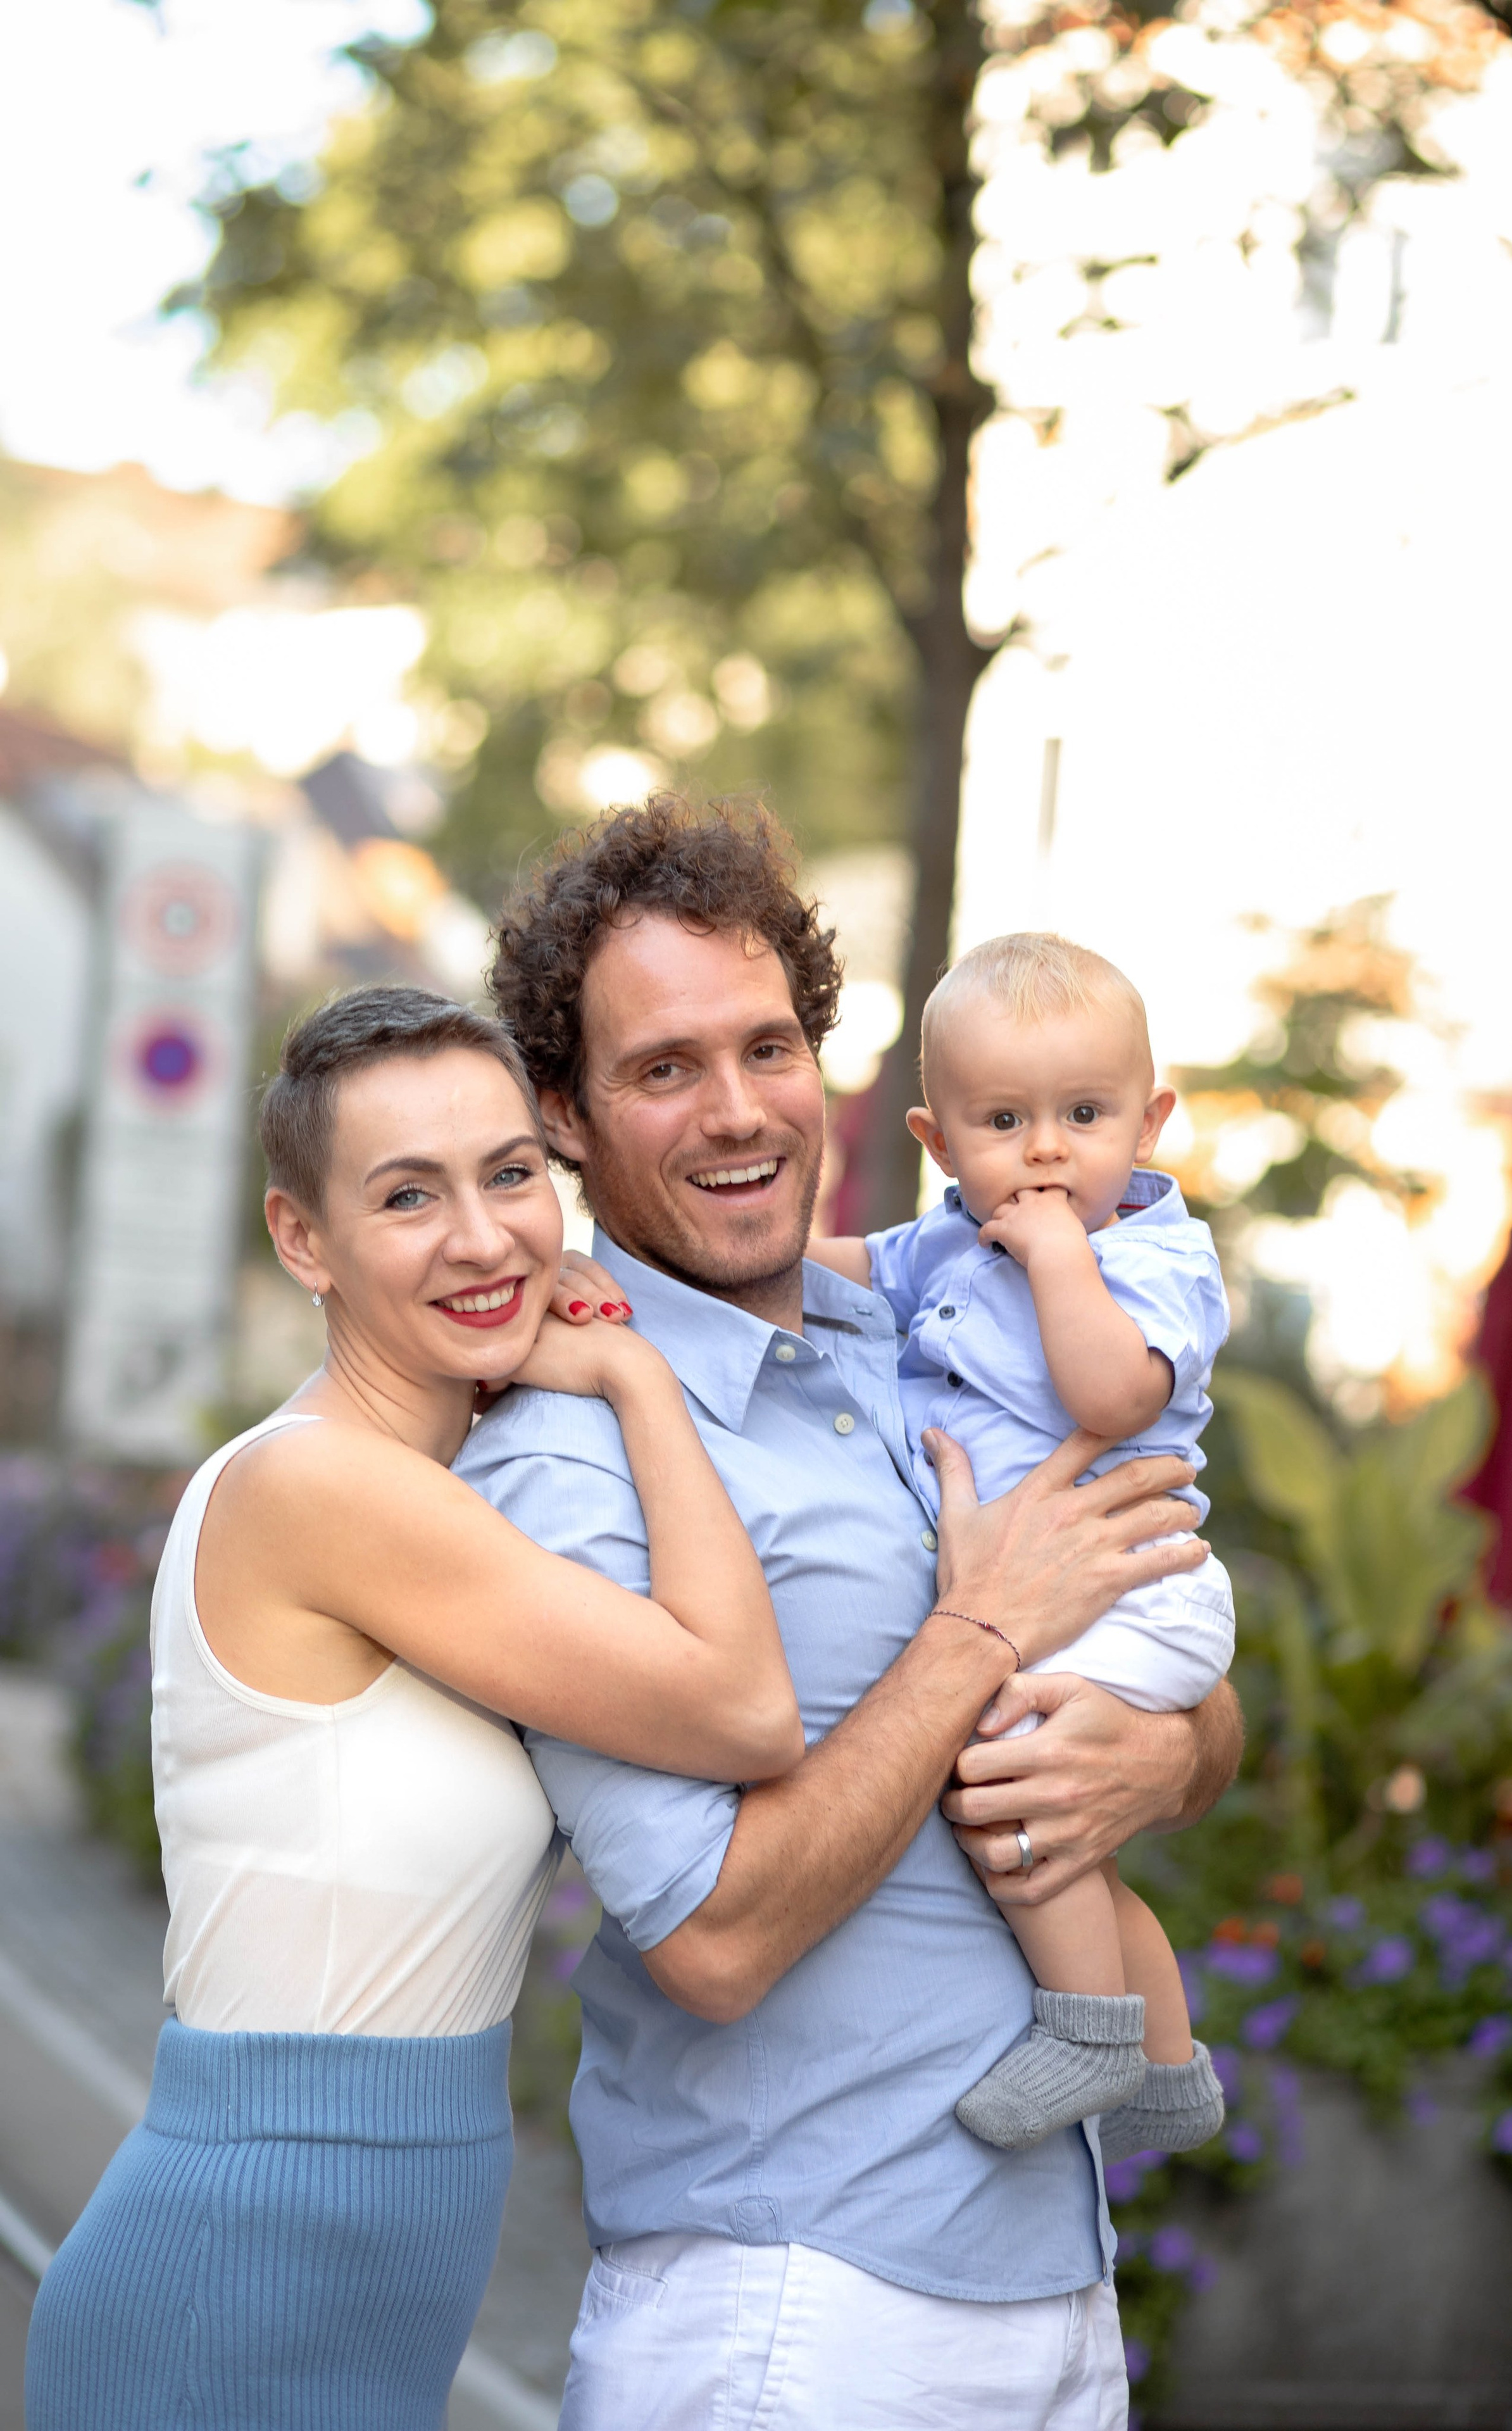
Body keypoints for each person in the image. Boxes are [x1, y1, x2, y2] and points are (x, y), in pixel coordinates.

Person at [456, 798, 1246, 2431]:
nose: (736, 1111)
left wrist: (1160, 1760)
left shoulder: (926, 1317)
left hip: (1050, 2275)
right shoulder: (568, 1451)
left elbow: (1162, 1672)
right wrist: (977, 1640)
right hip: (796, 2303)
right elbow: (714, 1940)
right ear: (566, 1116)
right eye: (664, 1068)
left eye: (768, 1047)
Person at [24, 986, 803, 2431]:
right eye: (405, 1195)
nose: (480, 1235)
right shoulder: (320, 1489)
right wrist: (634, 1376)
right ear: (301, 1240)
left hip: (378, 2270)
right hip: (235, 2278)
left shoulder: (452, 1487)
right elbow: (744, 1708)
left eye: (509, 1174)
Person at [808, 929, 1235, 2159]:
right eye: (1002, 1121)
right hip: (1058, 1594)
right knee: (1078, 1841)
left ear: (1147, 1124)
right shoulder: (945, 1240)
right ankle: (1163, 2062)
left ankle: (1086, 2030)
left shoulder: (1151, 1257)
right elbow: (842, 1273)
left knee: (1001, 1784)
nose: (1046, 1150)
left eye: (1084, 1113)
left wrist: (1058, 1263)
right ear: (937, 1143)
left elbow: (1113, 1398)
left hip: (1129, 1586)